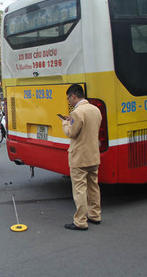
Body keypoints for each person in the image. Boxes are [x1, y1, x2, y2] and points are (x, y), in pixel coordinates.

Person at [61, 84, 102, 231]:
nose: (69, 101)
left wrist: (65, 123)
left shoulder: (77, 112)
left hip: (79, 157)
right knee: (93, 186)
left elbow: (71, 133)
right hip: (93, 155)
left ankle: (80, 221)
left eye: (68, 98)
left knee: (79, 189)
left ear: (73, 96)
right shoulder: (95, 109)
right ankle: (95, 215)